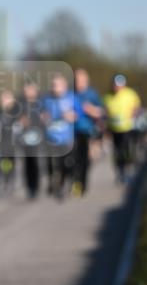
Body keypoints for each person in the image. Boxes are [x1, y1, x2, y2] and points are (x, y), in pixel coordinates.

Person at [42, 74, 76, 199]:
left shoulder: (71, 98)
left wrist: (72, 116)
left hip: (66, 138)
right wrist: (43, 117)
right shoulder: (46, 99)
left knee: (64, 164)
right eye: (53, 85)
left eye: (57, 85)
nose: (55, 88)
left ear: (64, 86)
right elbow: (40, 114)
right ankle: (52, 181)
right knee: (50, 164)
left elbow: (79, 114)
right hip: (50, 138)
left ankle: (63, 185)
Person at [104, 74, 141, 184]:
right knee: (117, 151)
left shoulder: (130, 94)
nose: (117, 87)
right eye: (115, 85)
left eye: (119, 85)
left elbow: (137, 107)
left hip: (127, 127)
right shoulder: (107, 96)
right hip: (113, 128)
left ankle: (127, 169)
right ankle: (120, 172)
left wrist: (132, 115)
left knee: (126, 150)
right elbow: (104, 110)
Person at [72, 68, 104, 196]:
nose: (78, 82)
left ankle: (82, 184)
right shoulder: (70, 94)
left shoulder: (92, 94)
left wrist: (91, 110)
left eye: (81, 79)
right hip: (72, 132)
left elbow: (101, 113)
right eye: (76, 79)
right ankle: (76, 182)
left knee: (85, 160)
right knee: (73, 160)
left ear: (86, 80)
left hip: (87, 132)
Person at [18, 81, 44, 200]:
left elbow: (44, 118)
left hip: (37, 137)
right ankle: (29, 188)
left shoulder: (41, 103)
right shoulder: (20, 104)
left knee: (36, 162)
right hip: (25, 139)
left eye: (31, 89)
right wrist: (21, 121)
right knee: (26, 164)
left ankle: (36, 187)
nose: (28, 92)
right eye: (26, 89)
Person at [0, 89, 20, 197]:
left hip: (13, 143)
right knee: (3, 164)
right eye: (3, 99)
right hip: (2, 143)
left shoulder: (16, 112)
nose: (5, 101)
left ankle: (11, 182)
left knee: (11, 164)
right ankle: (4, 181)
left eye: (8, 98)